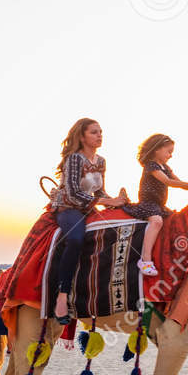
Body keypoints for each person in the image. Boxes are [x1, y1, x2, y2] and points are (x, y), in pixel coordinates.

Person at [50, 117, 126, 323]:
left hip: (89, 209)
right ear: (82, 136)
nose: (99, 135)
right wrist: (105, 200)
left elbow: (99, 190)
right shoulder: (74, 159)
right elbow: (74, 193)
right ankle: (62, 296)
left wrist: (116, 202)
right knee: (75, 239)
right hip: (69, 208)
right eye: (94, 132)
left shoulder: (101, 161)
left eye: (100, 131)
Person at [122, 133, 188, 277]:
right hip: (148, 203)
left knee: (176, 221)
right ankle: (145, 260)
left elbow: (178, 182)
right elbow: (168, 182)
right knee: (156, 221)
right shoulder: (152, 166)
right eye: (169, 151)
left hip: (159, 205)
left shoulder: (165, 167)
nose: (170, 155)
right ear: (157, 150)